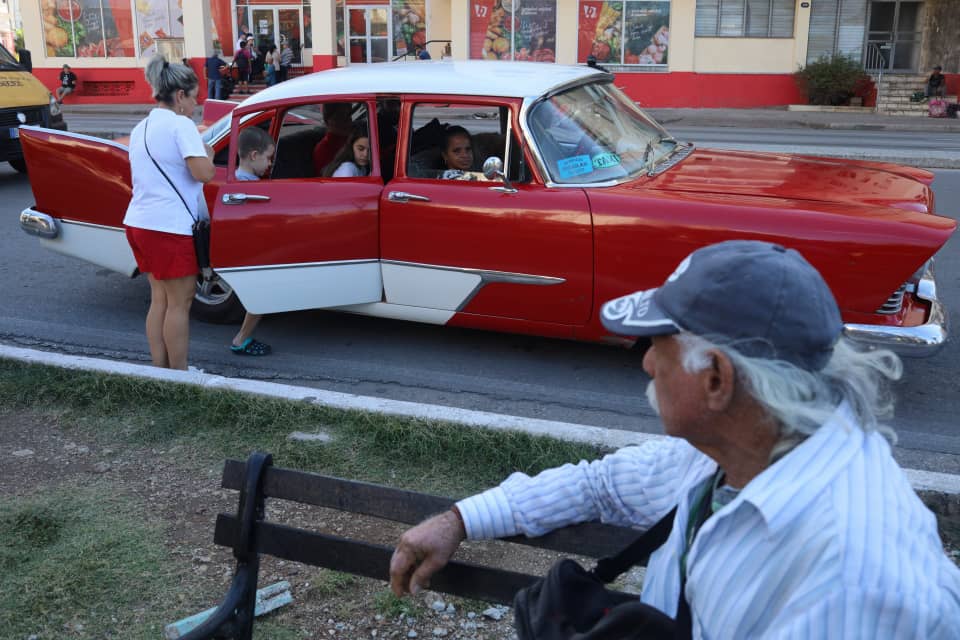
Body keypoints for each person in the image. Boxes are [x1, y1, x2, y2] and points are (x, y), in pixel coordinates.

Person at [390, 240, 960, 636]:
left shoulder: (853, 577)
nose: (645, 364)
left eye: (657, 345)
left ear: (716, 380)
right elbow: (602, 485)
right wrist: (459, 520)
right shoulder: (741, 451)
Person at [122, 56, 215, 370]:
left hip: (139, 223)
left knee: (159, 298)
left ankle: (160, 370)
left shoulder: (141, 128)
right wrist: (208, 154)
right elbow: (204, 173)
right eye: (194, 97)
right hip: (169, 227)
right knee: (180, 302)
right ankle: (180, 374)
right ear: (179, 96)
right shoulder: (181, 125)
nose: (196, 104)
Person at [230, 127, 276, 356]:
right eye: (268, 158)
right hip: (252, 254)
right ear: (254, 155)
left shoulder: (238, 182)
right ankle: (241, 339)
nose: (270, 163)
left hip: (249, 251)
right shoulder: (248, 188)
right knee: (261, 294)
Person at [311, 102, 353, 176]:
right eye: (340, 117)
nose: (348, 120)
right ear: (328, 121)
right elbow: (327, 177)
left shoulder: (352, 138)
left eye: (348, 115)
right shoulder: (323, 149)